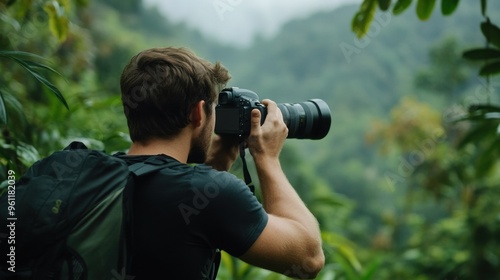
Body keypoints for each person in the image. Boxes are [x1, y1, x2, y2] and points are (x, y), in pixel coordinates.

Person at [118, 47, 324, 279]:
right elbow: (309, 258)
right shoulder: (208, 195)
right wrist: (267, 158)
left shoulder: (101, 176)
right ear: (197, 113)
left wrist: (211, 171)